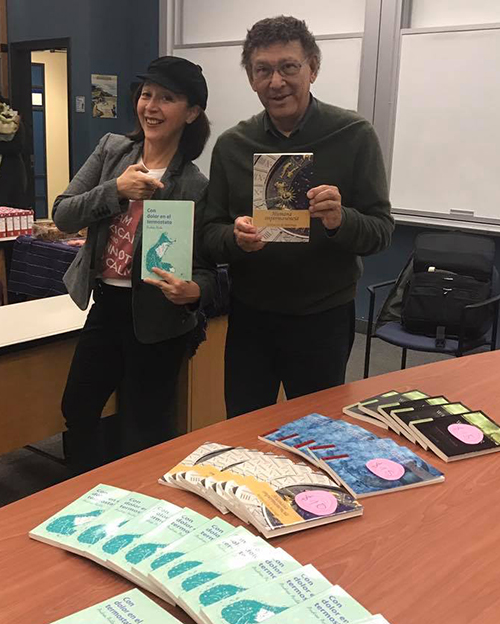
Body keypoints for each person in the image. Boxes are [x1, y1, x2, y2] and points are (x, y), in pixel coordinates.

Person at [203, 16, 394, 418]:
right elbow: (209, 232)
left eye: (289, 67)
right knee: (242, 426)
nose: (277, 82)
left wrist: (341, 220)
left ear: (312, 68)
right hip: (251, 316)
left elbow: (380, 232)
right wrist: (233, 238)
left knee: (318, 431)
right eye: (263, 70)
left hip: (322, 317)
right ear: (251, 78)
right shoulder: (232, 145)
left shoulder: (354, 135)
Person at [53, 56, 215, 473]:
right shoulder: (112, 151)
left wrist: (194, 290)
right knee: (78, 406)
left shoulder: (194, 185)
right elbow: (64, 213)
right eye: (146, 95)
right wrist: (116, 189)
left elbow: (208, 269)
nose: (152, 107)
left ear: (192, 112)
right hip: (106, 306)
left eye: (167, 98)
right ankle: (83, 496)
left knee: (143, 429)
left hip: (159, 320)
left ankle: (135, 508)